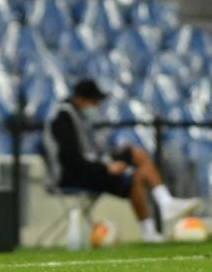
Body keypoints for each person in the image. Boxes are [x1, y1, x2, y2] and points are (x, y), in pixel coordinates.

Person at [45, 78, 201, 241]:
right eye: (93, 101)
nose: (96, 106)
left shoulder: (79, 117)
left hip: (90, 168)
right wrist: (106, 168)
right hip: (71, 176)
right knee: (134, 177)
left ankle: (161, 211)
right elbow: (72, 160)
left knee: (136, 154)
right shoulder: (61, 119)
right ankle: (157, 216)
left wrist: (112, 157)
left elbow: (91, 152)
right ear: (79, 99)